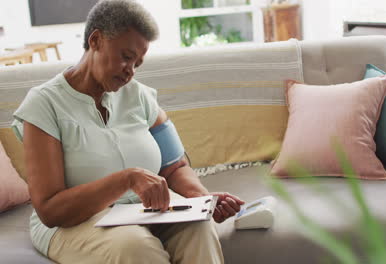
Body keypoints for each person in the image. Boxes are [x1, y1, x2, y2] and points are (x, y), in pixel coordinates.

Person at [11, 0, 244, 263]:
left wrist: (201, 201)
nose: (130, 73)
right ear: (96, 40)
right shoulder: (44, 105)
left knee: (199, 228)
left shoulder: (140, 96)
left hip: (143, 211)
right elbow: (51, 210)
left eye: (137, 64)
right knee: (134, 245)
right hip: (73, 223)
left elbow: (175, 165)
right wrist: (126, 179)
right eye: (126, 57)